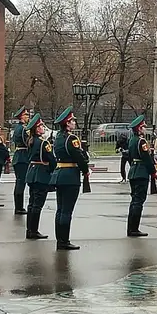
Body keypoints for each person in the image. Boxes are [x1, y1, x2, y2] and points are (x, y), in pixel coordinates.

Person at [50, 107, 90, 250]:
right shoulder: (72, 139)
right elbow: (79, 157)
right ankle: (64, 241)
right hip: (70, 175)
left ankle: (60, 239)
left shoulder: (59, 137)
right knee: (67, 210)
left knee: (60, 209)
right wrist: (86, 170)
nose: (74, 122)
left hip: (60, 174)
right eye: (72, 120)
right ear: (67, 123)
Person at [25, 113, 55, 240]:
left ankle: (29, 229)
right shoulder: (43, 143)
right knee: (37, 204)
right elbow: (52, 160)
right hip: (41, 173)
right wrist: (51, 170)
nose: (43, 127)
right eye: (41, 126)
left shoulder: (31, 141)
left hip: (32, 172)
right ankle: (34, 231)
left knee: (31, 203)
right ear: (37, 129)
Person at [126, 114, 155, 236]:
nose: (145, 129)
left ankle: (131, 227)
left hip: (133, 170)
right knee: (138, 201)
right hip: (141, 172)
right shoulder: (141, 141)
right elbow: (146, 159)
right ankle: (134, 229)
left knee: (134, 201)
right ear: (139, 129)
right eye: (143, 127)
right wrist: (153, 171)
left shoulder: (132, 140)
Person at [11, 106, 30, 215]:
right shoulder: (23, 129)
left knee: (19, 182)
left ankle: (19, 206)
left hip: (19, 156)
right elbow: (27, 142)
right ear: (21, 117)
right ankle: (19, 207)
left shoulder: (17, 128)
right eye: (26, 115)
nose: (28, 117)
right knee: (21, 182)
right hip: (23, 156)